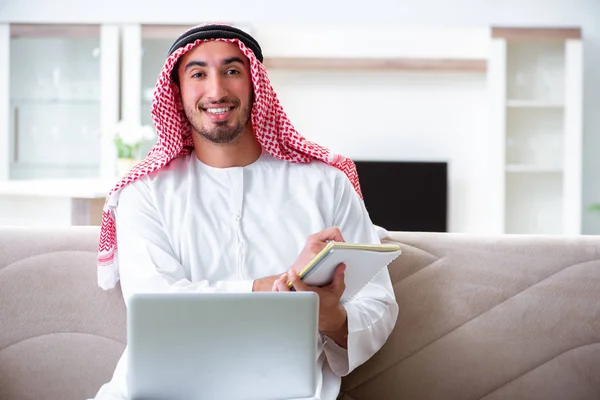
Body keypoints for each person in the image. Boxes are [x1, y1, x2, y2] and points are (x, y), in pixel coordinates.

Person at [91, 23, 398, 400]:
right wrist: (282, 290)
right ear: (177, 90)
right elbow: (159, 308)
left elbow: (378, 302)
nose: (216, 90)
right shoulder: (143, 194)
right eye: (198, 73)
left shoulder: (327, 184)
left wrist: (328, 316)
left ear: (255, 83)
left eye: (232, 71)